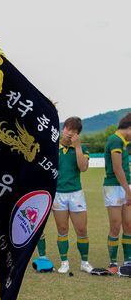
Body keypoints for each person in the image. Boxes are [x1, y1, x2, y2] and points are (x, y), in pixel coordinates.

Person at [50, 117, 93, 273]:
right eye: (68, 129)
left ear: (78, 134)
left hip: (76, 194)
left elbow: (83, 168)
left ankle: (84, 262)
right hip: (58, 194)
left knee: (81, 230)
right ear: (63, 129)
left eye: (74, 131)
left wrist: (78, 147)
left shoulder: (82, 148)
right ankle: (64, 262)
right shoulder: (52, 146)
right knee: (62, 229)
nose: (69, 133)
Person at [102, 113, 131, 276]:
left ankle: (128, 261)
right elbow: (117, 168)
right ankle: (113, 263)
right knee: (115, 225)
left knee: (129, 225)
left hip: (125, 186)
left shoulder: (123, 142)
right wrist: (128, 191)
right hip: (113, 187)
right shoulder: (115, 140)